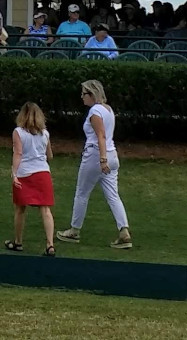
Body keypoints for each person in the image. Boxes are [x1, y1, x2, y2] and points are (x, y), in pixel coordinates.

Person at [56, 80, 133, 250]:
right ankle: (124, 231)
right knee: (113, 195)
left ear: (91, 95)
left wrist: (102, 159)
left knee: (82, 193)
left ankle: (74, 230)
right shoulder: (108, 110)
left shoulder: (95, 111)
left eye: (84, 94)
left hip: (96, 155)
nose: (81, 97)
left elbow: (101, 136)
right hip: (112, 155)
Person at [5, 101, 55, 257]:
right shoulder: (45, 133)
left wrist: (14, 173)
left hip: (24, 173)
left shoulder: (18, 132)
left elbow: (18, 153)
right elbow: (50, 156)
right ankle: (50, 245)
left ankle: (18, 241)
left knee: (20, 209)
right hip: (42, 173)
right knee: (45, 209)